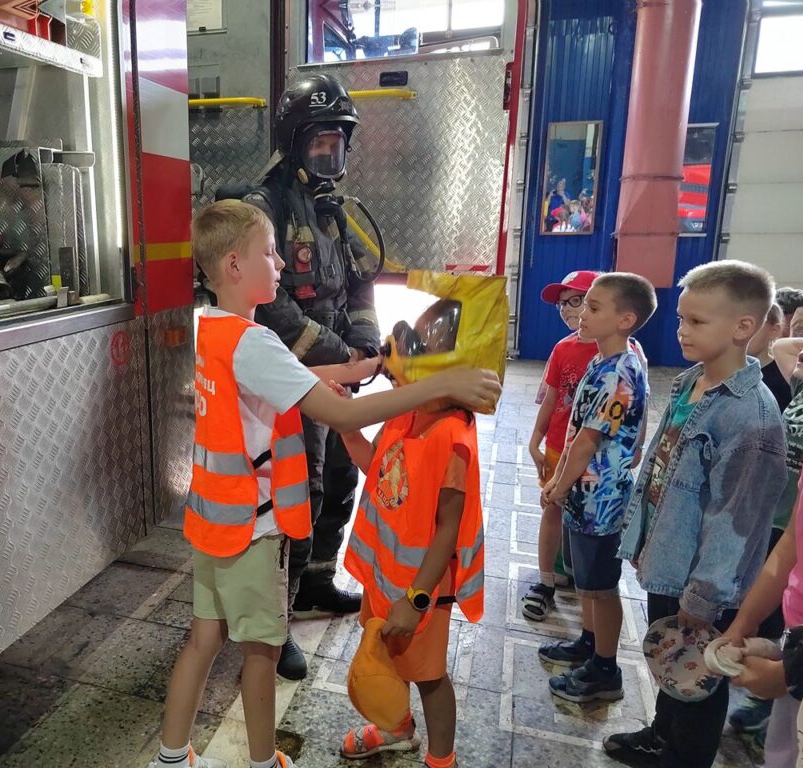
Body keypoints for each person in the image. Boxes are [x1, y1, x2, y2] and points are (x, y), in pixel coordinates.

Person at [148, 200, 501, 768]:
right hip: (252, 531)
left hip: (213, 522)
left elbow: (290, 377)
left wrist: (362, 369)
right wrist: (446, 382)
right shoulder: (254, 342)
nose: (282, 264)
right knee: (261, 653)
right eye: (270, 253)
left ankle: (170, 758)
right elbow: (341, 416)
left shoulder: (215, 329)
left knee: (202, 640)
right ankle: (263, 762)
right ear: (235, 265)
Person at [605, 260, 788, 768]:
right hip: (670, 557)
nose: (682, 331)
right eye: (682, 319)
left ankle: (684, 756)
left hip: (705, 581)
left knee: (700, 681)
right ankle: (662, 736)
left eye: (697, 321)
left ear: (743, 327)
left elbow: (737, 522)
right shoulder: (692, 381)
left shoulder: (751, 418)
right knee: (673, 660)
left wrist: (704, 597)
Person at [242, 74, 382, 680]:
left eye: (337, 144)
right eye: (319, 143)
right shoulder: (263, 207)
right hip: (289, 375)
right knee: (298, 494)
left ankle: (318, 580)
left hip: (336, 369)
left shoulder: (336, 211)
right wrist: (338, 355)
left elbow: (361, 283)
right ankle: (276, 621)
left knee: (342, 477)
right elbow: (269, 304)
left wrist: (365, 342)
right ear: (293, 141)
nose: (330, 155)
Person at [335, 298, 487, 768]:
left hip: (422, 589)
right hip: (386, 574)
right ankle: (397, 729)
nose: (395, 383)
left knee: (428, 675)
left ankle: (442, 759)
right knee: (388, 652)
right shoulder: (406, 411)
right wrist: (348, 428)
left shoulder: (453, 437)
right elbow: (381, 472)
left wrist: (416, 599)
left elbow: (448, 529)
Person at [537, 273, 655, 704]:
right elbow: (577, 431)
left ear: (625, 320)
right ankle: (588, 643)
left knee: (602, 588)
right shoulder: (601, 361)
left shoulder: (621, 370)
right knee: (586, 582)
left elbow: (588, 440)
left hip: (600, 500)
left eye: (593, 307)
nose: (581, 314)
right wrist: (562, 483)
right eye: (583, 305)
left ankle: (606, 669)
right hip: (581, 495)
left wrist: (558, 484)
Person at [723, 334, 803, 768]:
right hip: (796, 634)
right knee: (782, 749)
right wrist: (744, 622)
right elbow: (790, 545)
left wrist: (792, 673)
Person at [524, 270, 599, 619]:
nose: (568, 309)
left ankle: (588, 586)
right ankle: (546, 582)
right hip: (558, 447)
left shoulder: (625, 356)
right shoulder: (563, 349)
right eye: (562, 304)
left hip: (597, 458)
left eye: (576, 301)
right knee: (552, 507)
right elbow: (551, 399)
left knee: (587, 518)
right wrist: (535, 442)